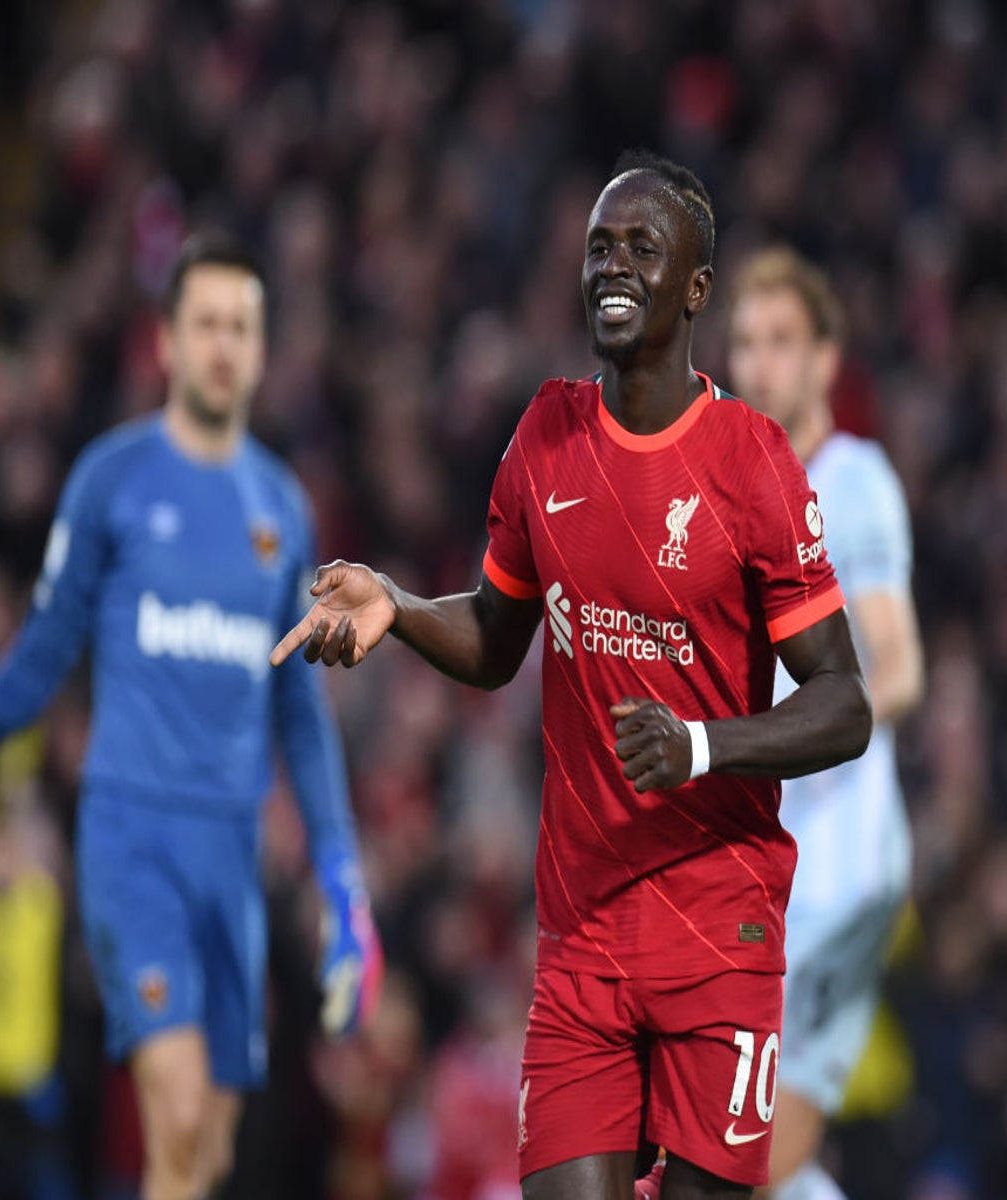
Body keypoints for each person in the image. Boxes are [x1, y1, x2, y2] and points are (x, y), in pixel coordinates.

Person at [269, 149, 873, 1200]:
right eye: (600, 245)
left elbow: (844, 704)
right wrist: (401, 608)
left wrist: (698, 747)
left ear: (696, 288)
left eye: (643, 246)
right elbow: (501, 640)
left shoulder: (752, 462)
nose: (613, 264)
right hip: (581, 940)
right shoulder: (544, 436)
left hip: (718, 931)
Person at [0, 233, 383, 1200]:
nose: (224, 345)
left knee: (209, 1149)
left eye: (242, 326)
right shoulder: (111, 481)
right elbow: (47, 641)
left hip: (229, 848)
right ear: (165, 342)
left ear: (263, 346)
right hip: (131, 833)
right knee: (180, 1110)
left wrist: (343, 881)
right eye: (205, 324)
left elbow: (301, 708)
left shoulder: (282, 507)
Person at [727, 246, 924, 1200]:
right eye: (746, 343)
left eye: (782, 342)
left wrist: (793, 732)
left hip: (839, 876)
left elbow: (900, 669)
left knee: (748, 1154)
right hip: (778, 869)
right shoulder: (732, 499)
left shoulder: (854, 481)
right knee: (744, 1161)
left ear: (824, 360)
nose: (760, 364)